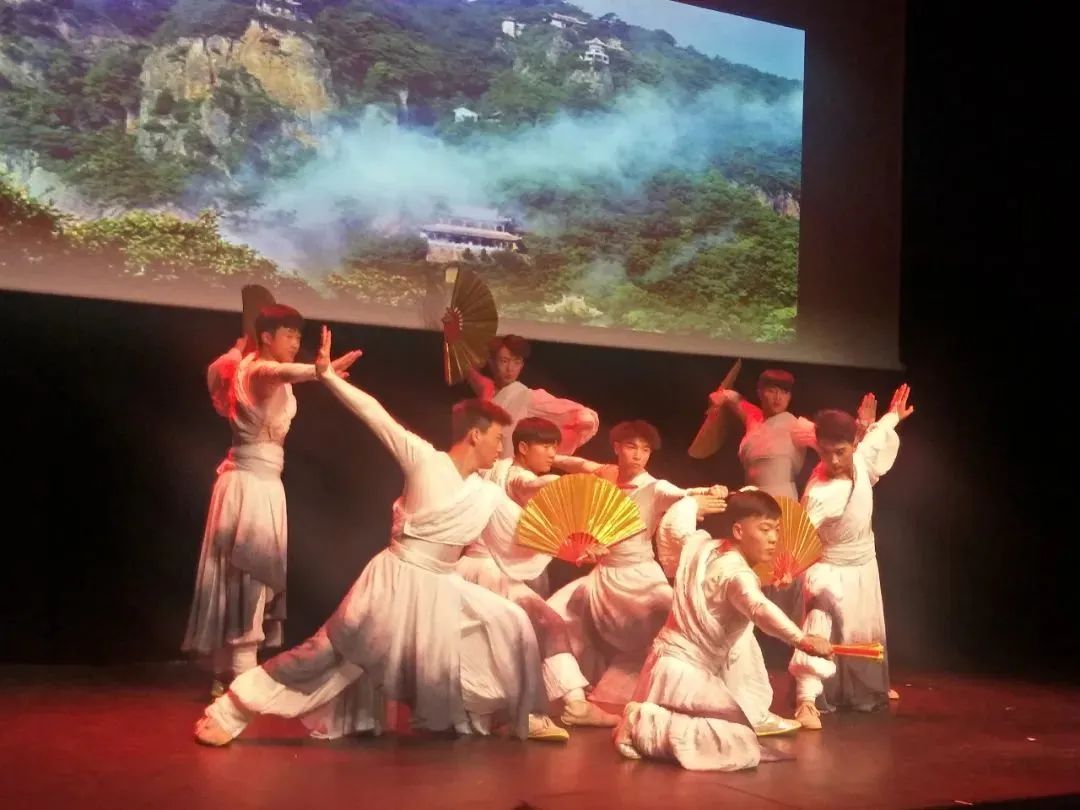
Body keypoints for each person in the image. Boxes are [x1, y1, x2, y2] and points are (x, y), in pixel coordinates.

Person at [194, 327, 565, 746]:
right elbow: (375, 414)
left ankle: (521, 714)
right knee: (329, 654)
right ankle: (232, 709)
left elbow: (525, 530)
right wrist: (328, 377)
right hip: (396, 581)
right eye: (498, 439)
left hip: (443, 586)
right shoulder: (424, 459)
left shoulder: (486, 492)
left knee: (511, 623)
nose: (501, 448)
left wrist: (573, 545)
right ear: (475, 435)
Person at [182, 306, 360, 696]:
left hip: (261, 484)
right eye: (289, 335)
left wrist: (239, 347)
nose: (296, 342)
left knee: (246, 579)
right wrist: (319, 371)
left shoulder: (242, 366)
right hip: (249, 487)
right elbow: (278, 372)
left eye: (298, 336)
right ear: (266, 337)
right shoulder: (257, 371)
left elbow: (227, 367)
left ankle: (227, 673)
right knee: (248, 578)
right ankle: (240, 675)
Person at [613, 489, 833, 770]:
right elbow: (758, 607)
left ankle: (650, 719)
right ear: (738, 531)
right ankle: (640, 723)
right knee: (737, 745)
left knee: (738, 734)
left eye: (776, 530)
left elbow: (676, 529)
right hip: (683, 673)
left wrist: (691, 505)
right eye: (765, 529)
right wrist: (802, 640)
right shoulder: (735, 573)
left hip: (664, 667)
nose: (773, 539)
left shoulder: (706, 548)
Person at [457, 416, 619, 728]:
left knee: (511, 639)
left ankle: (507, 709)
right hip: (493, 571)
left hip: (478, 568)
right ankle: (576, 702)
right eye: (545, 447)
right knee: (550, 625)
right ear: (522, 447)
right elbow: (534, 484)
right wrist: (588, 480)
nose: (552, 454)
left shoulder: (496, 467)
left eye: (555, 447)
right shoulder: (518, 478)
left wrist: (566, 462)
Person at [789, 384, 914, 729]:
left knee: (862, 626)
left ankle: (866, 686)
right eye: (825, 452)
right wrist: (790, 567)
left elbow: (877, 436)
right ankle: (806, 699)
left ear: (852, 445)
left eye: (840, 452)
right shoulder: (822, 492)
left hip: (863, 563)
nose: (832, 461)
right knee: (820, 621)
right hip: (830, 565)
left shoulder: (859, 459)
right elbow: (799, 535)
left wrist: (892, 416)